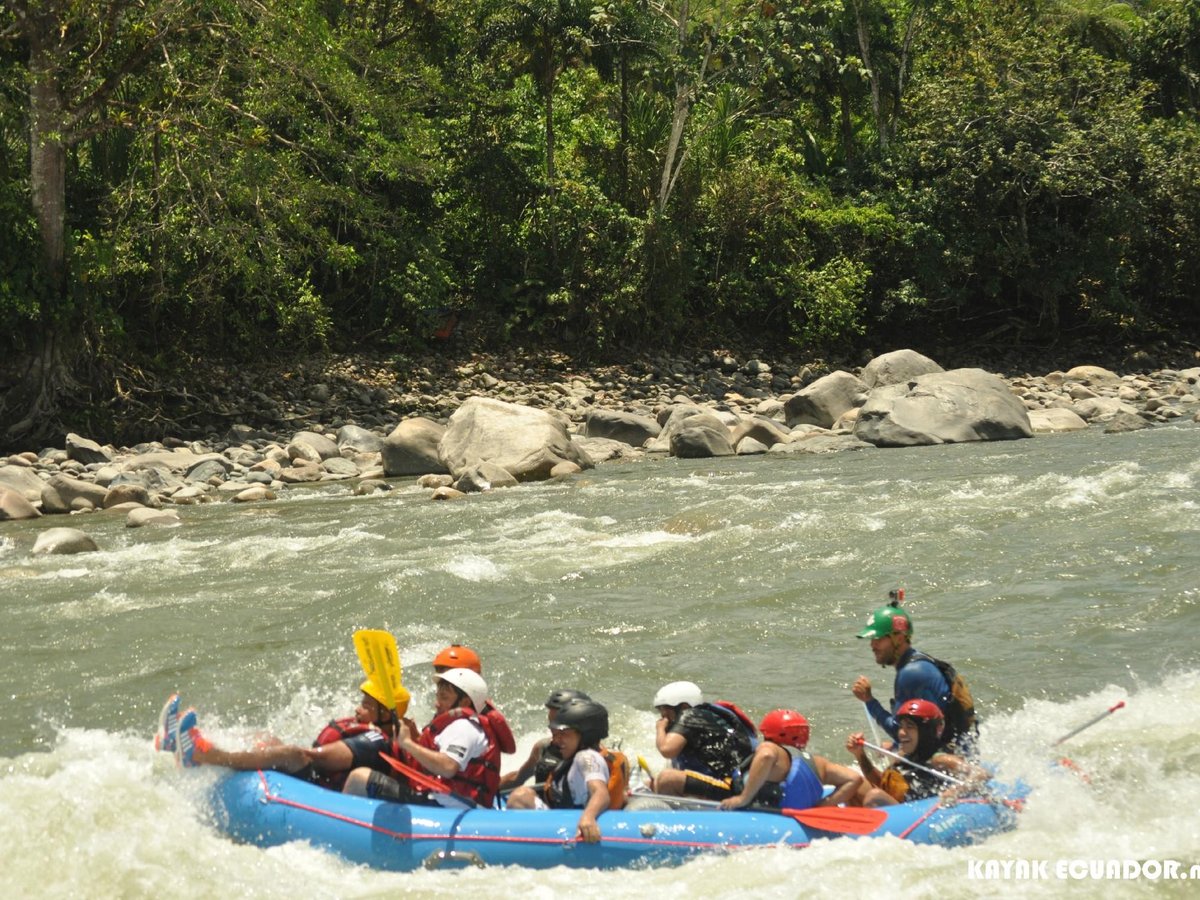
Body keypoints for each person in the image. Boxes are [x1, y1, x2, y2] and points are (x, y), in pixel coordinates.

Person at [159, 677, 410, 791]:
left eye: (366, 705)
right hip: (321, 778)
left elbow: (319, 757)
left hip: (321, 790)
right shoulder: (373, 730)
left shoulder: (376, 741)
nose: (358, 708)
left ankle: (207, 755)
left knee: (291, 754)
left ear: (386, 715)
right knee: (268, 738)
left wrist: (284, 754)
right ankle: (184, 740)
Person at [343, 667, 501, 807]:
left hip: (446, 807)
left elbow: (448, 767)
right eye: (437, 696)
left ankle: (343, 828)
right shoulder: (462, 725)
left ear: (465, 701)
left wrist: (407, 744)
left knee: (360, 777)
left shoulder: (464, 727)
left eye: (444, 698)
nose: (437, 703)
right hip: (443, 801)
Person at [851, 594, 978, 754]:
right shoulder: (918, 663)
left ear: (899, 637)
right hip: (959, 752)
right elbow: (920, 728)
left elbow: (901, 732)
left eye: (878, 638)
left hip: (949, 763)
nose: (872, 645)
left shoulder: (912, 674)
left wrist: (869, 701)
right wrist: (896, 747)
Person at [506, 699, 613, 843]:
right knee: (524, 796)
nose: (556, 740)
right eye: (555, 733)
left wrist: (588, 817)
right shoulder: (573, 757)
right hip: (566, 816)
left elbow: (600, 792)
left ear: (585, 735)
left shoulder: (586, 757)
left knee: (519, 797)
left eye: (563, 734)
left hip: (574, 825)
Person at [845, 699, 988, 807]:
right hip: (898, 807)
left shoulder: (939, 759)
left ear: (927, 731)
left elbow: (981, 774)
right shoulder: (903, 755)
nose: (902, 733)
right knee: (850, 781)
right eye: (901, 727)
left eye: (910, 727)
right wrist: (859, 754)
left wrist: (956, 791)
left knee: (874, 796)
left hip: (914, 814)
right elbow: (881, 784)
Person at [719, 709, 863, 811]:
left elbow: (766, 756)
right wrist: (822, 806)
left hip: (769, 811)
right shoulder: (819, 763)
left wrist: (743, 798)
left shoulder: (770, 748)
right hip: (799, 815)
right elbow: (854, 779)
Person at [652, 681, 757, 800]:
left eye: (666, 711)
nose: (663, 717)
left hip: (730, 787)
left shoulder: (691, 715)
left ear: (684, 707)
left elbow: (667, 750)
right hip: (722, 784)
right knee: (651, 783)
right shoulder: (704, 719)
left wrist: (660, 729)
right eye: (660, 711)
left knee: (667, 779)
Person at [499, 688, 592, 791]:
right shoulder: (542, 748)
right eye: (551, 724)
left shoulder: (596, 754)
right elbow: (517, 778)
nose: (553, 730)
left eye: (559, 726)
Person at [433, 644, 517, 757]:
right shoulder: (449, 703)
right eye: (439, 671)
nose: (442, 679)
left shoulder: (474, 717)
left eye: (446, 672)